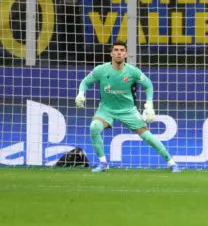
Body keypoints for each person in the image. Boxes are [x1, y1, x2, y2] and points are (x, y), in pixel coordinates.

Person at [75, 41, 180, 173]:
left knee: (147, 136)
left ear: (126, 54)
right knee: (94, 127)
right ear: (111, 53)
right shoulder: (100, 70)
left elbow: (148, 85)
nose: (119, 53)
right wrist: (80, 93)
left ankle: (171, 162)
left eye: (122, 50)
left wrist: (149, 105)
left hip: (128, 110)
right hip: (106, 109)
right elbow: (85, 82)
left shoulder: (132, 71)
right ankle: (103, 163)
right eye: (116, 50)